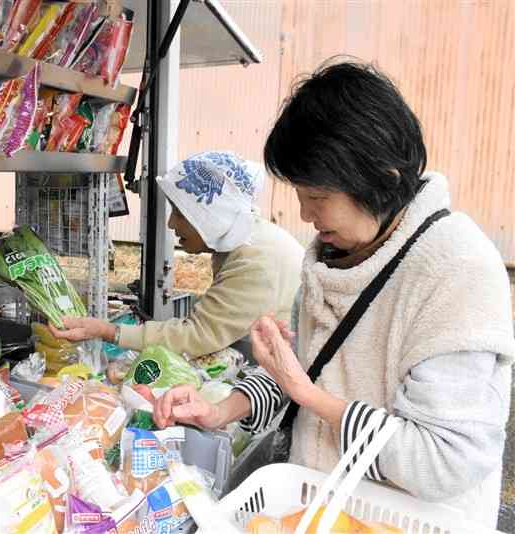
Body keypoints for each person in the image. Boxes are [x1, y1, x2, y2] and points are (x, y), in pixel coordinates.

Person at [152, 61, 515, 528]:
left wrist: (309, 394)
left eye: (317, 196)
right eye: (301, 194)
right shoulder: (333, 255)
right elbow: (309, 372)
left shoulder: (455, 272)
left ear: (381, 176)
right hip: (320, 509)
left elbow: (441, 460)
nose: (305, 214)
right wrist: (219, 410)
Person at [49, 151, 304, 360]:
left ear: (213, 217)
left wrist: (108, 331)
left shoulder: (256, 261)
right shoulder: (244, 242)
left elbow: (196, 336)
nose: (171, 224)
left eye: (181, 214)